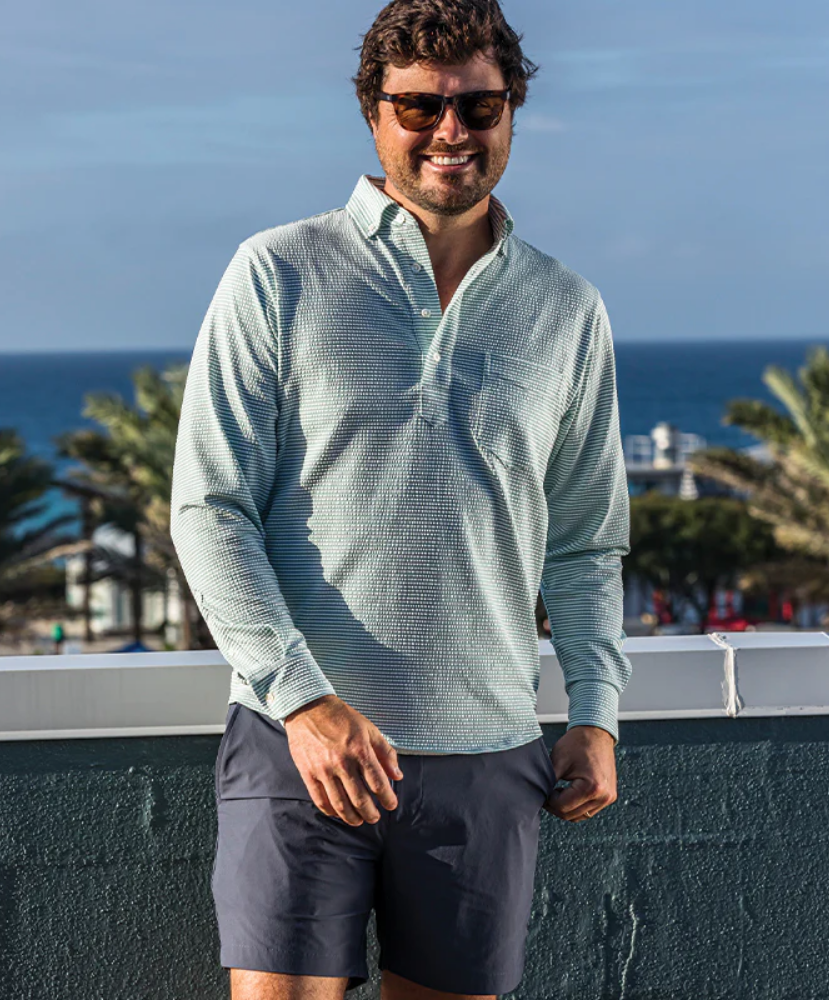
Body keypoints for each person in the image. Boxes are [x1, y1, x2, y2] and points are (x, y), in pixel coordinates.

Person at [170, 1, 632, 997]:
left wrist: (594, 711)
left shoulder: (565, 307)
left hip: (489, 756)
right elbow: (209, 506)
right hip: (301, 748)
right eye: (419, 107)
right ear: (373, 114)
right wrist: (301, 700)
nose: (450, 132)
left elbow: (587, 542)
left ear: (513, 112)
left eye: (478, 105)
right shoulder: (279, 272)